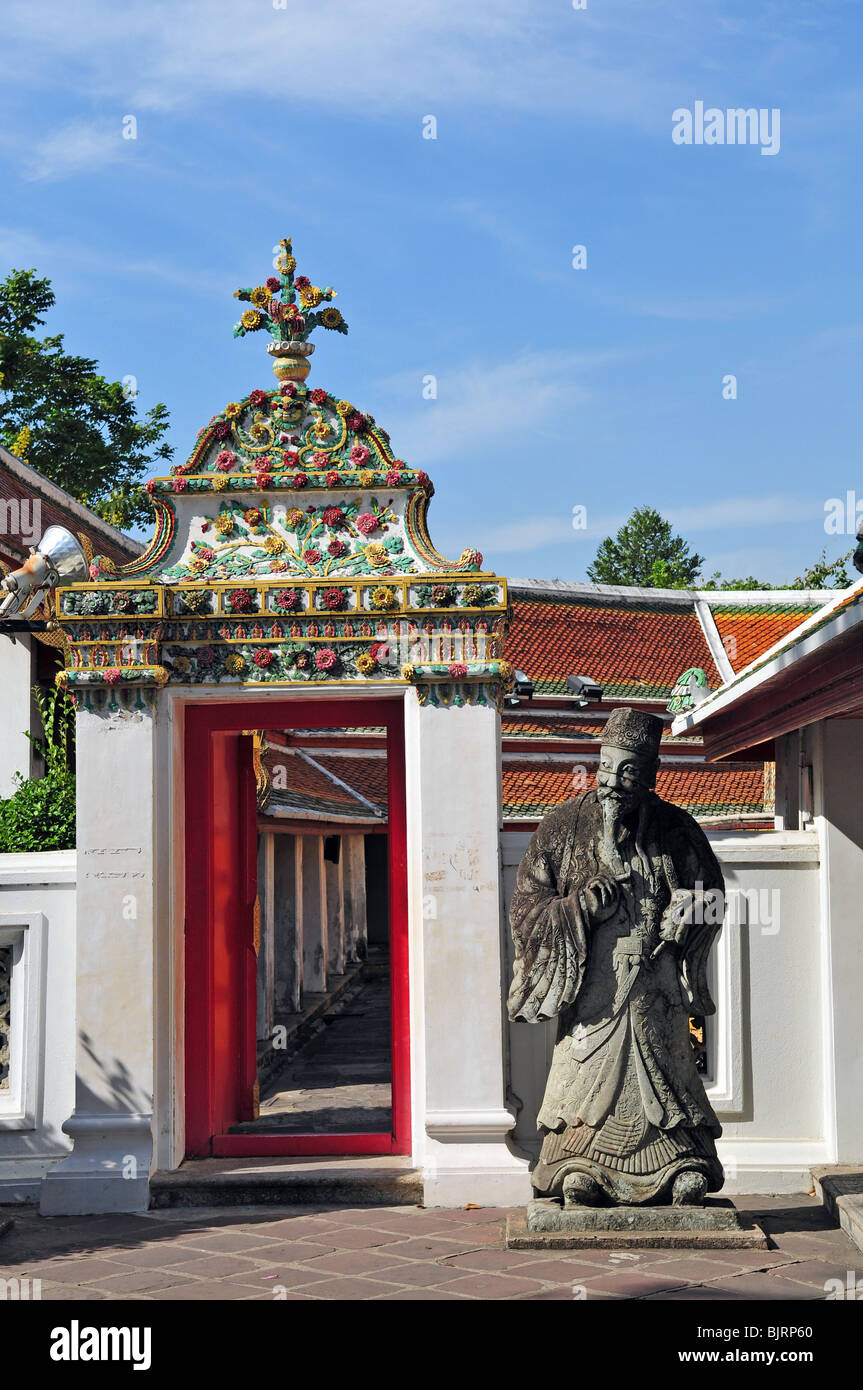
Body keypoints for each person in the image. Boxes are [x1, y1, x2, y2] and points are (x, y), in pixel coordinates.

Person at [507, 707, 725, 1206]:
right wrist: (581, 906)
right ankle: (574, 1167)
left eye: (628, 771)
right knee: (584, 1079)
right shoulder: (563, 827)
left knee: (666, 1068)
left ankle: (681, 1164)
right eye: (607, 767)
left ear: (649, 777)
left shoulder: (676, 829)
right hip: (595, 992)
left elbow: (711, 892)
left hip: (654, 984)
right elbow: (527, 907)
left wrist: (686, 912)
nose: (613, 782)